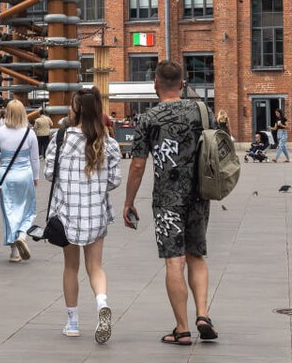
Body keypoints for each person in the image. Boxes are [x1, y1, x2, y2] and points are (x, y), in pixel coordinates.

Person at [124, 60, 218, 345]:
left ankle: (183, 327)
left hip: (167, 199)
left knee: (174, 261)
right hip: (200, 194)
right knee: (197, 255)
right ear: (182, 83)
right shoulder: (203, 111)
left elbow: (138, 165)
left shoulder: (149, 118)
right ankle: (203, 313)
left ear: (155, 83)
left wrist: (129, 201)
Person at [45, 90, 121, 343]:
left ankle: (73, 322)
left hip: (67, 212)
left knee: (71, 267)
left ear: (76, 110)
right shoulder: (108, 141)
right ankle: (102, 305)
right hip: (95, 212)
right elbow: (114, 180)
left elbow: (49, 174)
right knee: (95, 267)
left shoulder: (61, 138)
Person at [0, 100, 40, 262]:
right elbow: (35, 159)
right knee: (28, 209)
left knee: (9, 212)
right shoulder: (29, 133)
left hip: (6, 174)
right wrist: (36, 176)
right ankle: (22, 235)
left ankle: (14, 251)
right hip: (25, 173)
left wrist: (5, 157)